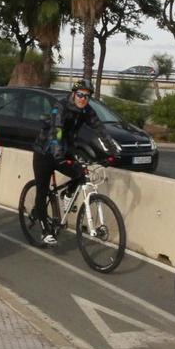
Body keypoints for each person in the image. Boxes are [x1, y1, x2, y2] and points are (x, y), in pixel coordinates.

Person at [30, 80, 120, 246]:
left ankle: (67, 194)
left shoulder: (86, 111)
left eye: (86, 96)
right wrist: (58, 156)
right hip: (45, 151)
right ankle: (45, 232)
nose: (83, 99)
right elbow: (56, 131)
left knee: (81, 173)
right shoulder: (61, 106)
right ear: (73, 93)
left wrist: (112, 150)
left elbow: (100, 129)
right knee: (42, 191)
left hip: (64, 151)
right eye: (80, 94)